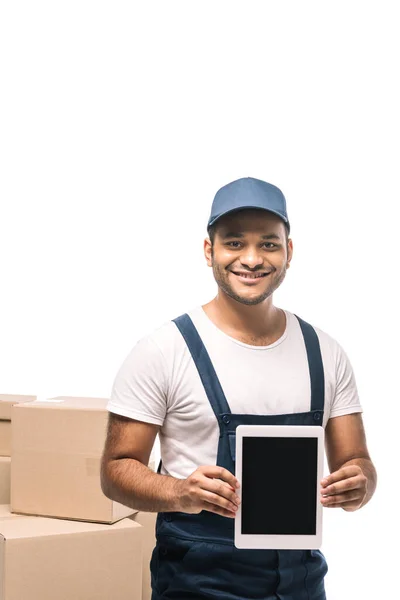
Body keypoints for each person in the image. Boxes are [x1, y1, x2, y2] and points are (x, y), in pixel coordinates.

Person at [101, 176, 377, 600]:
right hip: (199, 582)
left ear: (289, 252)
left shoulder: (325, 352)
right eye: (234, 243)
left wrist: (359, 485)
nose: (252, 259)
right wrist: (179, 491)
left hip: (302, 583)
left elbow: (357, 462)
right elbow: (115, 471)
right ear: (209, 250)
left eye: (268, 243)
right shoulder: (163, 350)